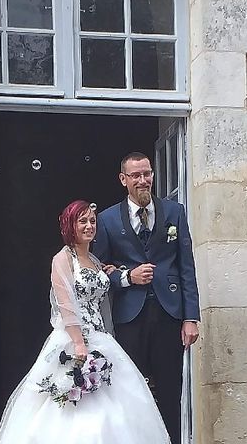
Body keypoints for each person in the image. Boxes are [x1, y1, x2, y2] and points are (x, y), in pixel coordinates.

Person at [0, 200, 170, 444]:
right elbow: (66, 305)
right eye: (82, 221)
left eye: (92, 221)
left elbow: (106, 289)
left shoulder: (97, 262)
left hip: (101, 338)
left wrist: (120, 274)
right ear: (70, 225)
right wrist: (78, 344)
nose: (89, 226)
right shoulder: (62, 259)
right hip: (74, 339)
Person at [92, 152, 200, 444]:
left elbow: (186, 265)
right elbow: (98, 270)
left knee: (169, 390)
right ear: (123, 179)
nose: (143, 180)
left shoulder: (175, 212)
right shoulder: (106, 219)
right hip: (129, 317)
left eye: (147, 174)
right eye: (136, 175)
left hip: (169, 314)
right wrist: (128, 277)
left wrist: (191, 317)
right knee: (131, 391)